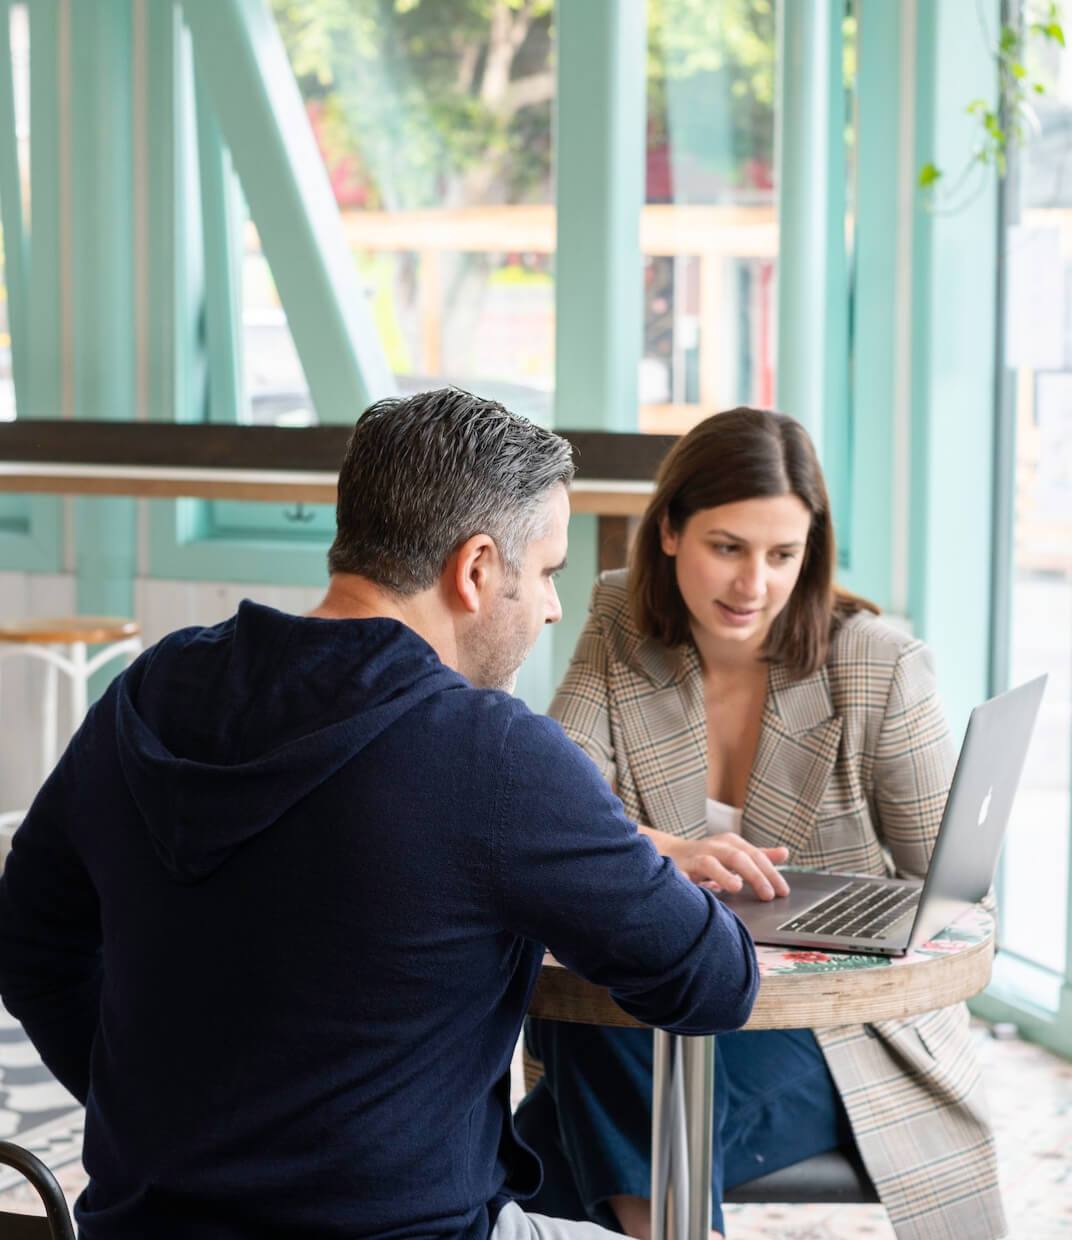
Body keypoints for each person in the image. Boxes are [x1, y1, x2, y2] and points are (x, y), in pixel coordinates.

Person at [0, 389, 761, 1240]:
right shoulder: (494, 754)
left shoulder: (151, 689)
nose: (552, 606)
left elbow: (28, 942)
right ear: (475, 570)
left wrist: (151, 1125)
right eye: (546, 571)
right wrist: (627, 849)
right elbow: (715, 982)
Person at [515, 406, 1006, 1240]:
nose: (753, 586)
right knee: (588, 1043)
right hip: (670, 1001)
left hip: (837, 1034)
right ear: (669, 531)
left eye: (784, 555)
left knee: (532, 1138)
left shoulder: (880, 665)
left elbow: (953, 897)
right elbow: (550, 812)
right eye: (728, 548)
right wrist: (672, 852)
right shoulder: (618, 617)